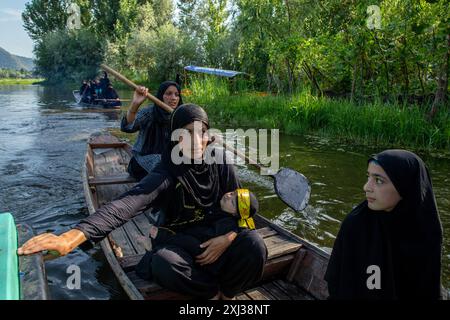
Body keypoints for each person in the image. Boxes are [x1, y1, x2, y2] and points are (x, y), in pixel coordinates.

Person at [18, 104, 268, 300]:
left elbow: (244, 211)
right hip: (182, 246)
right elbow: (126, 204)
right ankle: (211, 293)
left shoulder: (221, 163)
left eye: (201, 133)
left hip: (218, 238)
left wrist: (228, 238)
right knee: (164, 263)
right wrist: (71, 236)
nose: (195, 140)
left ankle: (228, 294)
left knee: (255, 244)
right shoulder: (167, 172)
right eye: (186, 134)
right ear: (176, 138)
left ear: (208, 137)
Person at [324, 150, 443, 300]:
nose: (366, 187)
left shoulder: (427, 230)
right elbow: (338, 285)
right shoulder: (356, 224)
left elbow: (428, 290)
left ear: (405, 186)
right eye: (368, 177)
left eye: (379, 180)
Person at [135, 188, 259, 281]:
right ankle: (155, 243)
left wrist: (165, 236)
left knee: (163, 250)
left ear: (235, 214)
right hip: (194, 244)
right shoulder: (223, 211)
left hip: (201, 258)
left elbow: (196, 245)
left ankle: (151, 248)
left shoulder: (224, 226)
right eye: (232, 193)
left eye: (232, 202)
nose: (228, 196)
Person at [121, 81, 183, 181]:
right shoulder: (149, 113)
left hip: (169, 162)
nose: (174, 98)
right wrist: (135, 104)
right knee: (163, 162)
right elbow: (128, 127)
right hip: (142, 163)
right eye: (168, 94)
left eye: (177, 95)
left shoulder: (180, 115)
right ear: (160, 95)